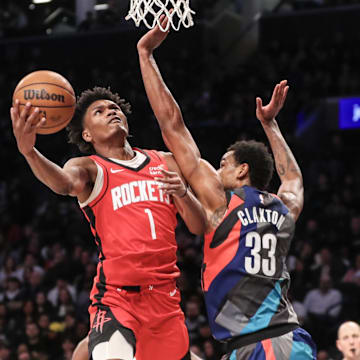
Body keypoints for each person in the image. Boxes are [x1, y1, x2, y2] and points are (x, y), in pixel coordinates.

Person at [137, 15, 317, 359]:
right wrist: (270, 125)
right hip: (291, 340)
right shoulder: (284, 209)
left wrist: (146, 55)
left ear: (242, 171)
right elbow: (293, 178)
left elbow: (172, 126)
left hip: (259, 344)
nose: (216, 170)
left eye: (222, 164)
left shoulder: (222, 204)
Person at [11, 81, 207, 359]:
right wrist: (30, 152)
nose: (111, 111)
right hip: (117, 297)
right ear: (87, 134)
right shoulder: (88, 168)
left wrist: (184, 193)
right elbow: (63, 184)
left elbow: (198, 227)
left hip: (164, 299)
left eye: (114, 107)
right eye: (99, 111)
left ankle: (90, 342)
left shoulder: (164, 162)